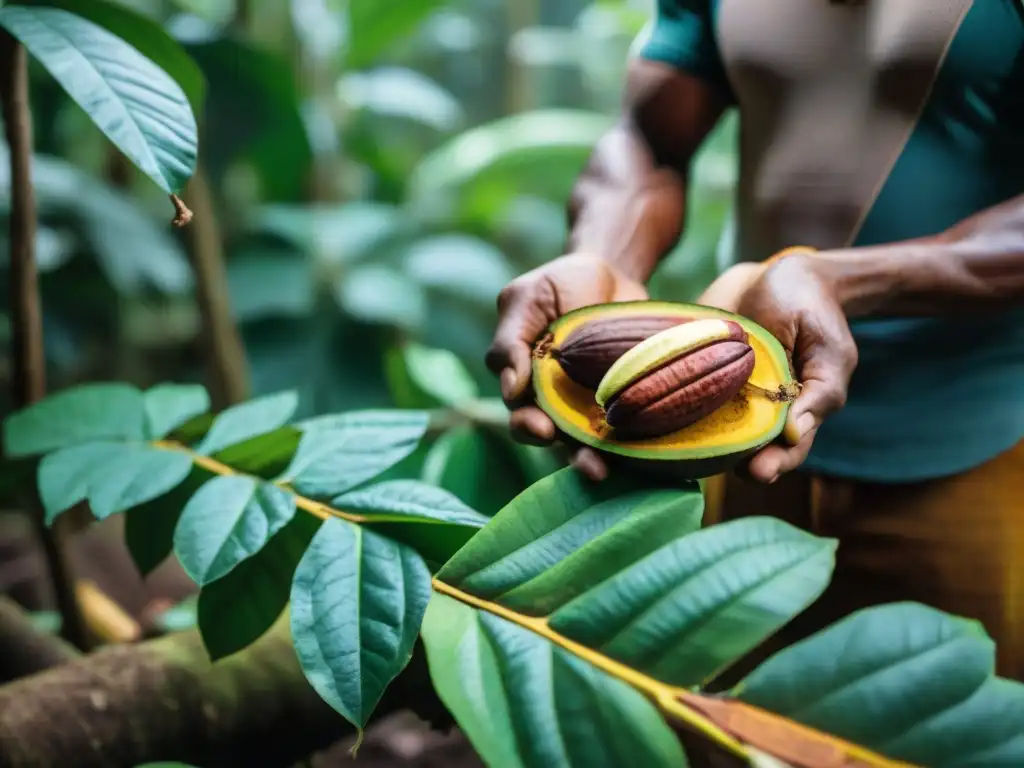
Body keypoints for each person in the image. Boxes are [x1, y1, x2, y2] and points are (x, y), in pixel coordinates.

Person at [485, 0, 1024, 681]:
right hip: (730, 437)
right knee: (718, 722)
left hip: (968, 446)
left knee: (940, 729)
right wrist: (604, 259)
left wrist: (842, 279)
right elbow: (650, 137)